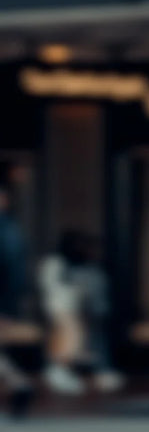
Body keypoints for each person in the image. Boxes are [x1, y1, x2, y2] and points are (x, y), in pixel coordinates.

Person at [37, 229, 124, 395]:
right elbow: (55, 288)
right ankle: (59, 372)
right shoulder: (56, 263)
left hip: (75, 308)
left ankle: (81, 372)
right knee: (69, 340)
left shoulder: (85, 266)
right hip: (63, 308)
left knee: (80, 341)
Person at [0, 178, 34, 417]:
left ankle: (19, 384)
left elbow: (13, 274)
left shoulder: (7, 232)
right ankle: (19, 384)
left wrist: (7, 308)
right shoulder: (10, 230)